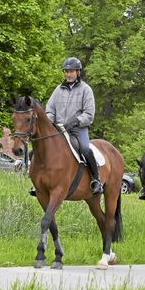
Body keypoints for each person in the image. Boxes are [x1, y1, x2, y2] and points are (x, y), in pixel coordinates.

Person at [45, 56, 103, 195]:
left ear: (78, 72)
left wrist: (75, 121)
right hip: (59, 129)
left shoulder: (86, 89)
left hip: (78, 129)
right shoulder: (58, 89)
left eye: (71, 71)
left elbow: (89, 114)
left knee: (85, 149)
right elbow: (50, 109)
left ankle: (96, 180)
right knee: (39, 150)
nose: (68, 74)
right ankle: (41, 182)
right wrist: (50, 121)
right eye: (66, 71)